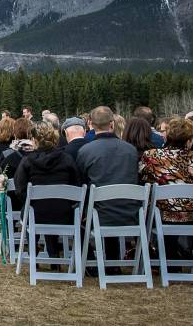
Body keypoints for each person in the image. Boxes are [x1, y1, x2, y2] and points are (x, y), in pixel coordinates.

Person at [77, 106, 140, 266]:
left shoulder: (86, 151)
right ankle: (113, 262)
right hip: (131, 213)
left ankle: (89, 261)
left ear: (90, 124)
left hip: (99, 214)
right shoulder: (130, 150)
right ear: (112, 124)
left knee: (78, 213)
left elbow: (82, 183)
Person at [139, 118, 193, 265]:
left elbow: (144, 179)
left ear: (167, 136)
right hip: (192, 214)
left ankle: (167, 257)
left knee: (155, 204)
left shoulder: (152, 155)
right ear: (189, 140)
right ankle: (175, 255)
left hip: (162, 213)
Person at [14, 122, 80, 259]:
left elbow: (20, 190)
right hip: (65, 215)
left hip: (35, 215)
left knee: (33, 208)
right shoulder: (67, 159)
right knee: (52, 205)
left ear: (34, 140)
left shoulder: (27, 161)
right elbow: (77, 186)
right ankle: (54, 254)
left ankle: (33, 250)